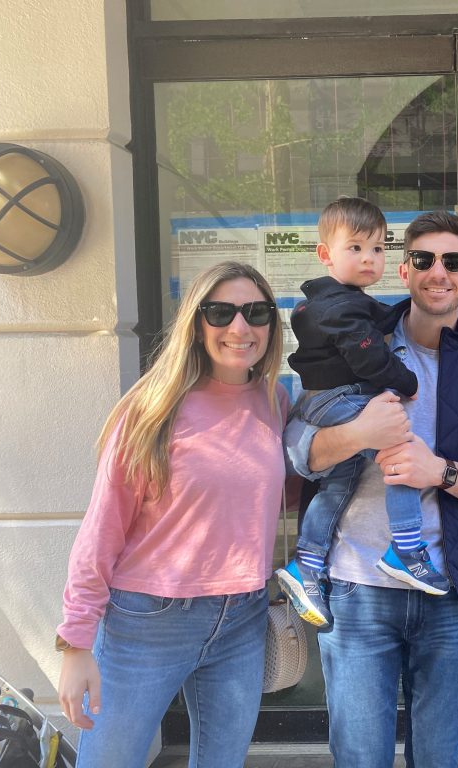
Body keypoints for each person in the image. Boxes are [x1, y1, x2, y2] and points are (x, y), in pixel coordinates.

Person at [284, 210, 458, 767]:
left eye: (453, 261)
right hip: (357, 589)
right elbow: (299, 451)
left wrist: (440, 471)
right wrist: (357, 435)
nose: (438, 271)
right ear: (405, 270)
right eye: (424, 259)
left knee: (439, 758)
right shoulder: (354, 337)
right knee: (360, 757)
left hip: (451, 590)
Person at [56, 261, 288, 768]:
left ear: (272, 322)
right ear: (196, 323)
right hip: (150, 620)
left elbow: (270, 497)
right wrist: (75, 642)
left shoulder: (274, 399)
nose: (240, 326)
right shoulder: (152, 407)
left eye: (256, 312)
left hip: (243, 616)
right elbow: (103, 529)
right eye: (220, 312)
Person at [277, 197, 447, 630]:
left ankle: (307, 561)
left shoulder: (339, 300)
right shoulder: (341, 307)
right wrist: (407, 382)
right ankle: (406, 547)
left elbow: (380, 318)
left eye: (377, 248)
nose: (369, 258)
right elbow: (369, 356)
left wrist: (407, 311)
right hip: (337, 398)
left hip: (326, 399)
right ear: (325, 254)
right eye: (355, 248)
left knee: (340, 481)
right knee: (399, 452)